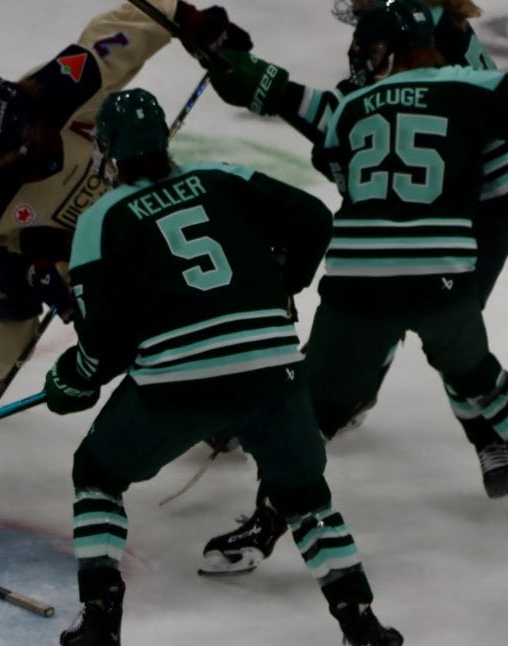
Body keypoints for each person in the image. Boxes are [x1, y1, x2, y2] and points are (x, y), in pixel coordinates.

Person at [43, 88, 403, 646]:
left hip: (178, 386)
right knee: (306, 496)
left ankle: (101, 622)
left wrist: (70, 381)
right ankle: (364, 626)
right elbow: (315, 219)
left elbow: (103, 346)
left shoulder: (100, 221)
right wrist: (281, 281)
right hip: (274, 370)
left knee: (97, 474)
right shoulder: (222, 175)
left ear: (108, 152)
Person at [198, 0, 508, 576]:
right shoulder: (458, 76)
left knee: (320, 406)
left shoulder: (375, 94)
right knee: (469, 361)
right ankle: (486, 426)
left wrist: (270, 89)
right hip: (444, 245)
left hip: (413, 246)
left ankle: (271, 519)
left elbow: (341, 142)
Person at [0, 0, 253, 424]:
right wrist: (58, 279)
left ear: (27, 129)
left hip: (117, 203)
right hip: (42, 241)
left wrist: (196, 24)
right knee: (5, 329)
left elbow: (128, 25)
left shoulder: (66, 86)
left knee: (163, 298)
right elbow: (20, 242)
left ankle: (202, 397)